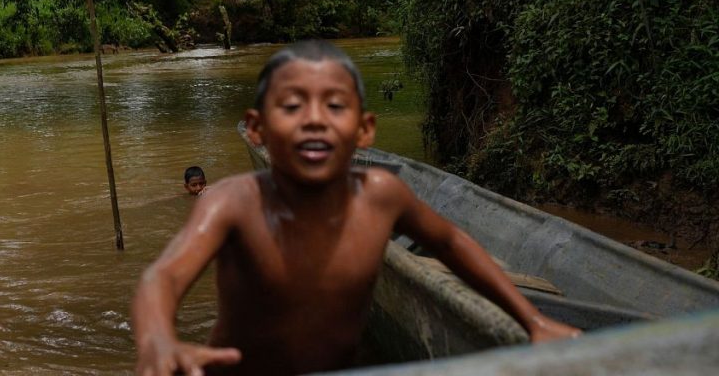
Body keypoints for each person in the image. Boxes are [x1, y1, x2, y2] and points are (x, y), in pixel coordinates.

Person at [132, 41, 580, 376]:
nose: (313, 118)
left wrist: (533, 319)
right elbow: (164, 276)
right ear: (257, 130)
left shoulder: (382, 195)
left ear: (364, 130)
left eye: (334, 105)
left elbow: (451, 241)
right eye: (291, 106)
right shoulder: (231, 201)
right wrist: (157, 338)